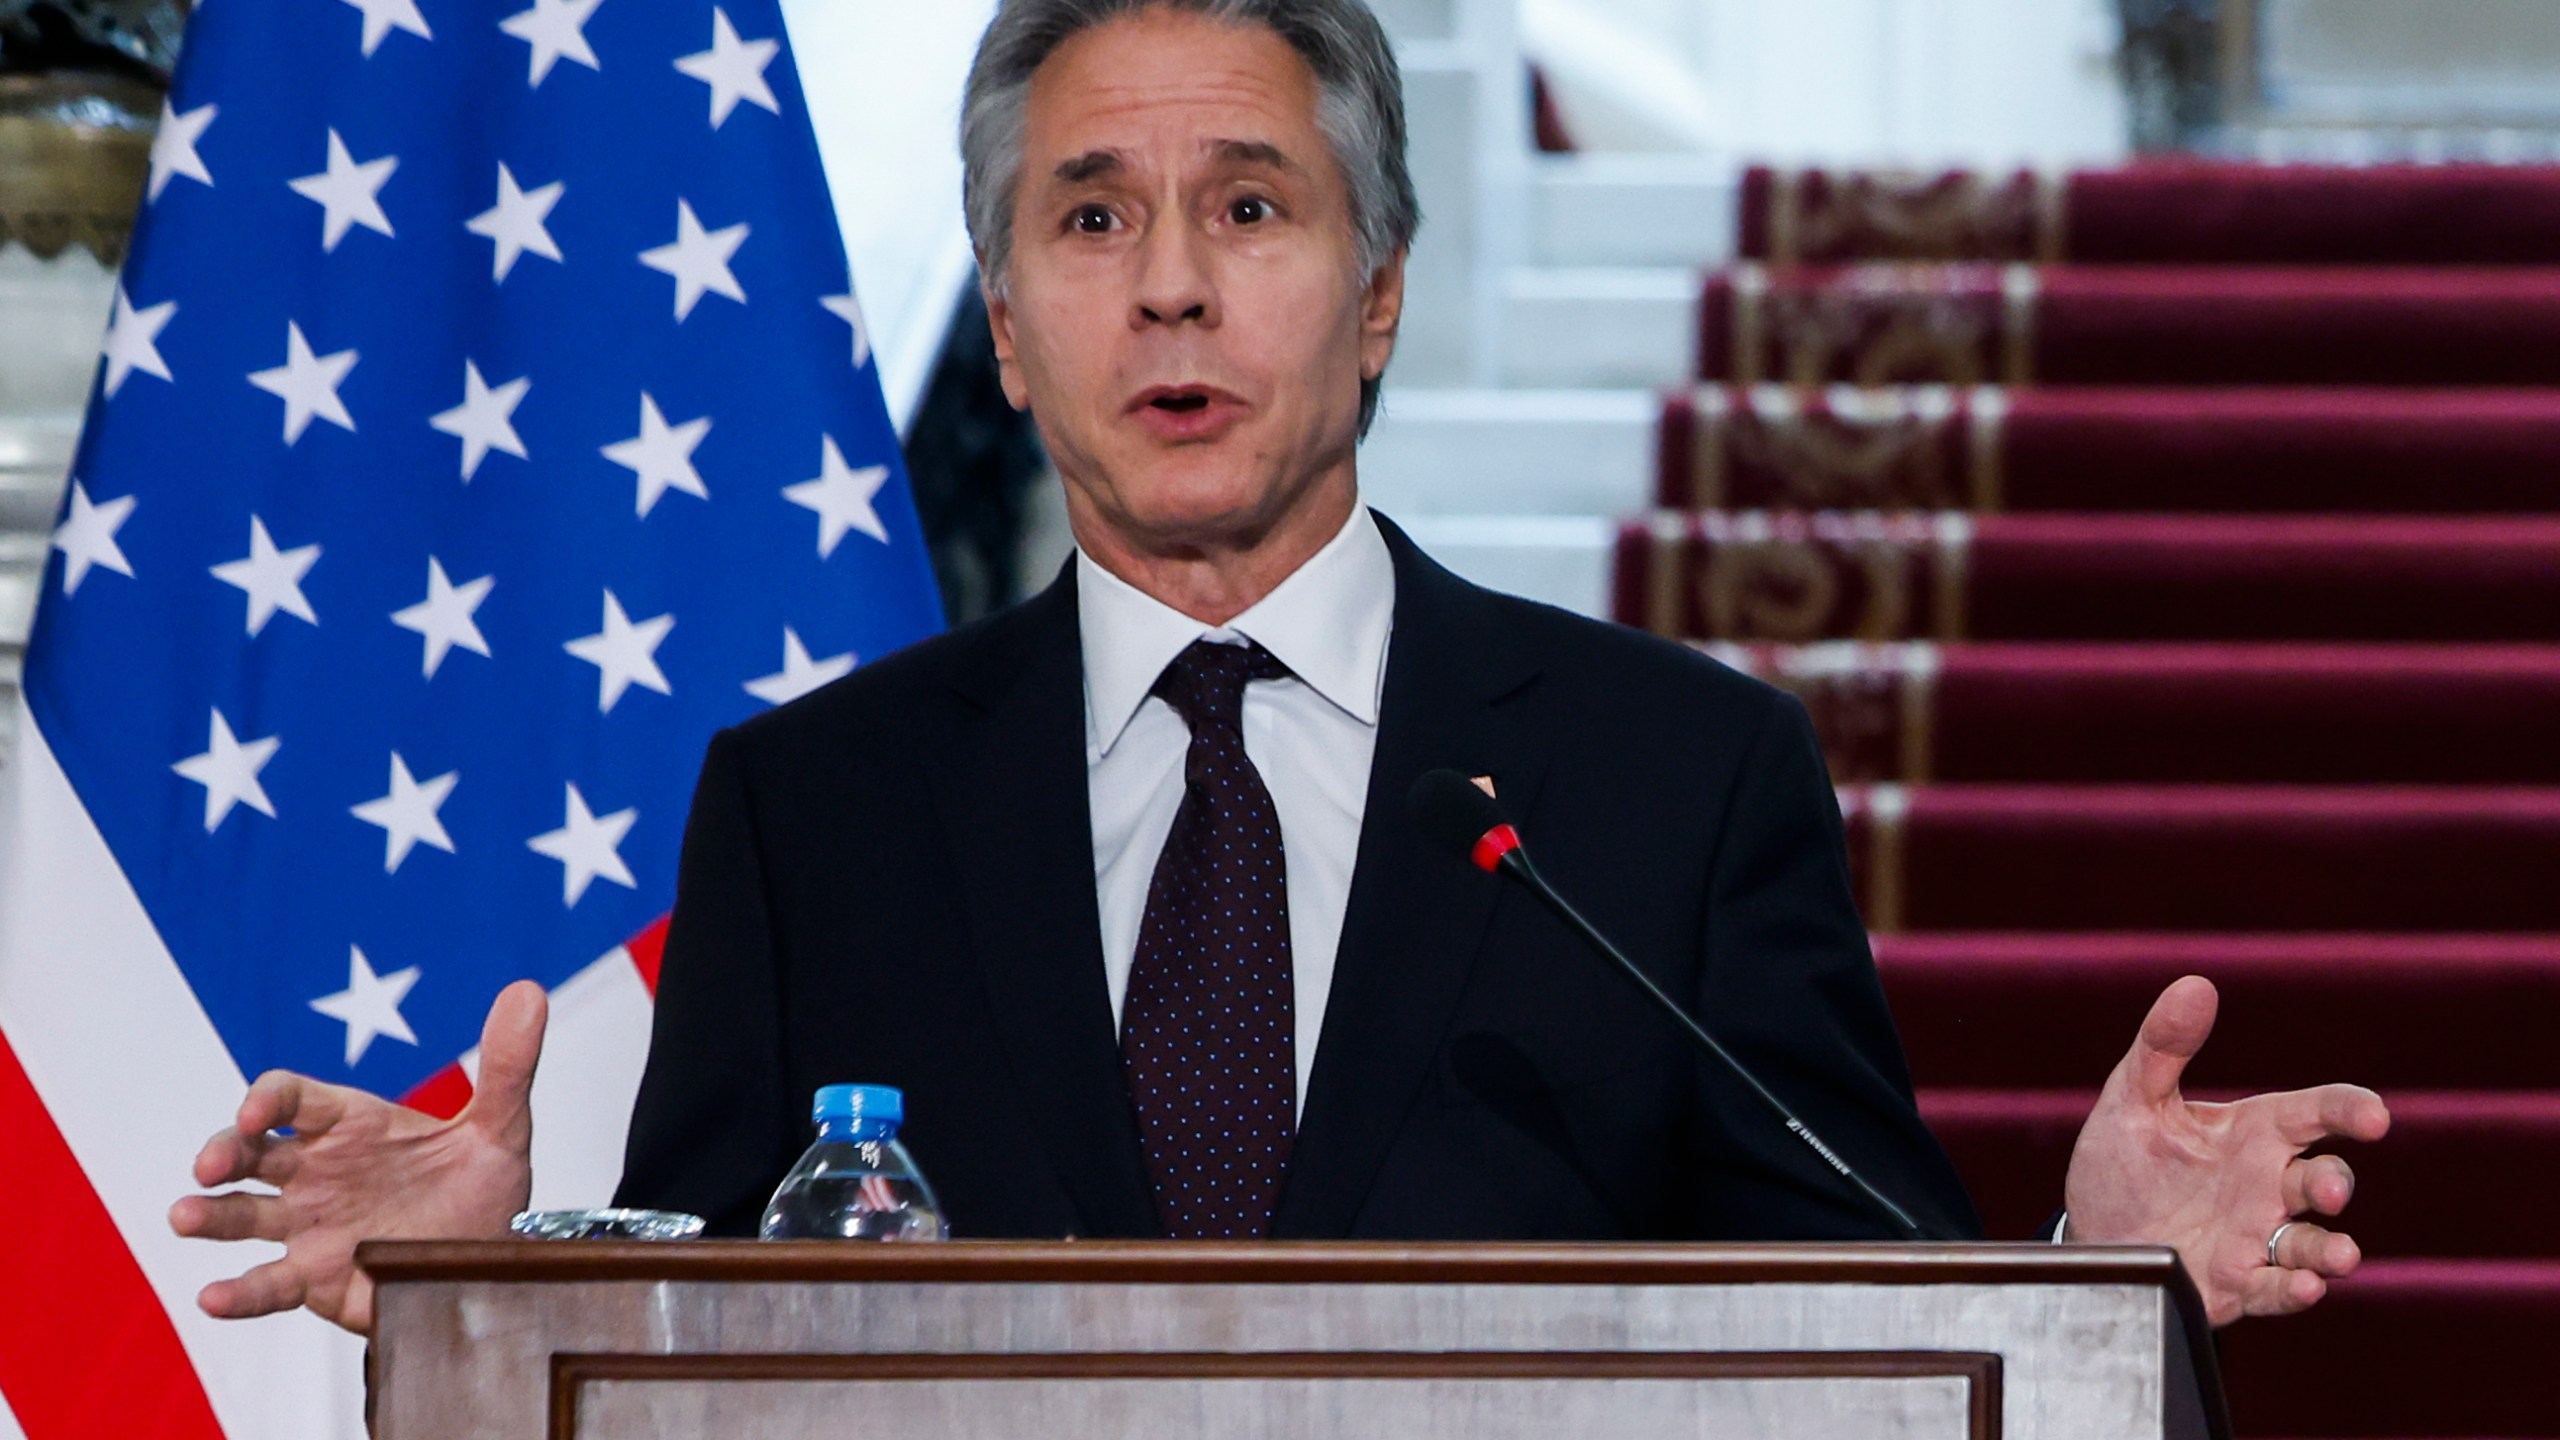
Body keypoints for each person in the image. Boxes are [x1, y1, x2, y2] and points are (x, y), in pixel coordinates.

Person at [171, 0, 2388, 1336]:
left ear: (1379, 293)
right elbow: (710, 1344)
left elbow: (1863, 1333)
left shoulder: (1672, 778)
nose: (1166, 291)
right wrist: (488, 1297)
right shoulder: (813, 803)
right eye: (1087, 214)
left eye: (1246, 208)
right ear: (1012, 335)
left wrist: (2075, 1280)